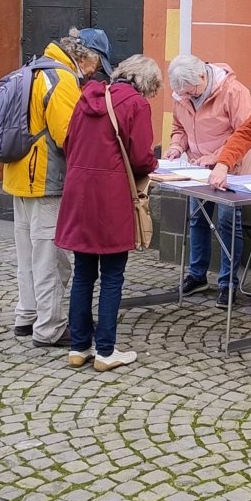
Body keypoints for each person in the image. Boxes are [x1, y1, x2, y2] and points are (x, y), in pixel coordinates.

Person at [4, 28, 113, 347]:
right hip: (45, 181)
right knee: (50, 257)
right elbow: (70, 135)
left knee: (27, 253)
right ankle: (49, 327)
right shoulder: (62, 79)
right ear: (86, 56)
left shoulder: (34, 66)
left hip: (19, 175)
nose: (95, 72)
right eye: (96, 64)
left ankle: (27, 315)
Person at [55, 55, 161, 372]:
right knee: (113, 275)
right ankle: (105, 351)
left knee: (84, 273)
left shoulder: (86, 96)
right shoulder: (136, 105)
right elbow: (141, 159)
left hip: (78, 192)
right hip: (112, 196)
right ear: (147, 84)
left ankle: (79, 348)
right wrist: (154, 166)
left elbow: (68, 142)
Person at [166, 54, 251, 307]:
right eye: (184, 93)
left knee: (228, 224)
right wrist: (176, 146)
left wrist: (216, 158)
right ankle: (198, 275)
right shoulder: (182, 94)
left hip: (233, 170)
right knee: (197, 219)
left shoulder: (233, 92)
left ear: (203, 77)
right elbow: (179, 127)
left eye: (192, 91)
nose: (189, 97)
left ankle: (228, 284)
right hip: (199, 170)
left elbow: (246, 134)